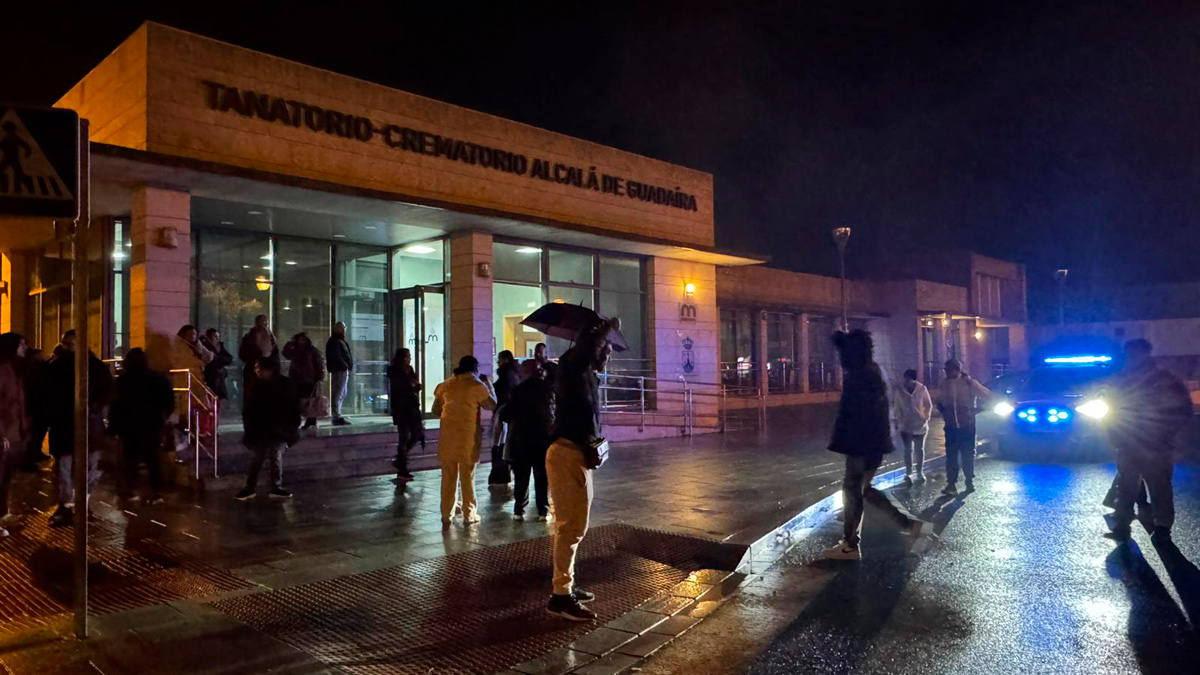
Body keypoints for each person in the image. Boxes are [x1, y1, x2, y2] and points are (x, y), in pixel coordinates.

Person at [824, 330, 930, 561]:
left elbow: (856, 414)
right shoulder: (872, 370)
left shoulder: (860, 375)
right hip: (874, 441)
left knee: (853, 491)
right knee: (864, 489)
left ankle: (850, 546)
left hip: (861, 442)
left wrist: (847, 441)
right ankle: (909, 524)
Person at [545, 318, 618, 622]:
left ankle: (567, 585)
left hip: (577, 455)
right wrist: (601, 331)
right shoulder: (572, 369)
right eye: (604, 352)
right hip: (566, 455)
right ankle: (561, 596)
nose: (606, 357)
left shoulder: (586, 374)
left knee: (573, 527)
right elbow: (582, 353)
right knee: (571, 528)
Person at [1107, 339, 1193, 544]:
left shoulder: (1163, 380)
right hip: (1129, 443)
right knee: (1127, 486)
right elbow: (1112, 411)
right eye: (1130, 354)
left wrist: (1165, 434)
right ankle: (1122, 524)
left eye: (1136, 353)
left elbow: (1183, 410)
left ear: (1146, 354)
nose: (1133, 358)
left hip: (1155, 444)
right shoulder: (1122, 380)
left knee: (1159, 487)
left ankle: (1162, 527)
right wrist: (1115, 436)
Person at [43, 330, 113, 527]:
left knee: (78, 470)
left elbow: (107, 394)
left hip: (80, 427)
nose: (69, 348)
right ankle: (70, 505)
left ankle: (74, 505)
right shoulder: (59, 367)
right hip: (75, 426)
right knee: (68, 470)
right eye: (67, 344)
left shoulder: (91, 367)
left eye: (71, 344)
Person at [432, 355, 497, 525]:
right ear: (475, 369)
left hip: (447, 438)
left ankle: (446, 513)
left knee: (448, 477)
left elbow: (436, 410)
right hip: (468, 438)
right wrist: (488, 384)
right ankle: (469, 513)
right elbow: (491, 405)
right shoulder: (477, 386)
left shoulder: (445, 385)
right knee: (468, 477)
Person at [109, 348, 174, 505]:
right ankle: (155, 492)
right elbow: (168, 401)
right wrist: (163, 417)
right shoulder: (158, 379)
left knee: (129, 459)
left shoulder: (122, 381)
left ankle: (129, 491)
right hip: (152, 424)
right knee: (153, 459)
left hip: (129, 425)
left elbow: (115, 405)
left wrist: (113, 426)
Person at [236, 357, 300, 501]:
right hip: (263, 429)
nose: (257, 371)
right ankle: (252, 487)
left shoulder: (283, 384)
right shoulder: (257, 386)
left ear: (269, 369)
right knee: (260, 456)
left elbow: (292, 406)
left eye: (260, 368)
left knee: (274, 453)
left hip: (279, 428)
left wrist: (290, 426)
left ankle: (275, 486)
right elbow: (250, 409)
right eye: (256, 369)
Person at [932, 359, 994, 495]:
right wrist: (942, 410)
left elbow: (988, 395)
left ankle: (969, 480)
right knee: (951, 455)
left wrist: (978, 409)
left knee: (967, 454)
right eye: (946, 370)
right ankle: (951, 484)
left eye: (949, 370)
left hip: (967, 425)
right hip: (951, 426)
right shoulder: (944, 384)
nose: (947, 372)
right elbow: (938, 398)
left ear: (957, 370)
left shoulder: (969, 383)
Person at [503, 360, 554, 521]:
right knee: (542, 476)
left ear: (526, 372)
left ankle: (519, 509)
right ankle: (543, 510)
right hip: (543, 439)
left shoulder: (518, 391)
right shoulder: (549, 389)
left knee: (521, 476)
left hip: (522, 439)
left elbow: (507, 415)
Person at [0, 333, 28, 536]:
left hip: (11, 434)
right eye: (21, 345)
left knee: (6, 478)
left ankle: (3, 513)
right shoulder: (3, 370)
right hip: (4, 436)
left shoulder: (12, 369)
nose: (24, 349)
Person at [387, 348, 423, 482]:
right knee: (404, 436)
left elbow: (414, 384)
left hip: (412, 407)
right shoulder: (394, 370)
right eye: (407, 356)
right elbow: (400, 387)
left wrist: (416, 385)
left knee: (416, 435)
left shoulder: (410, 369)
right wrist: (411, 384)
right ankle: (402, 467)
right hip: (401, 408)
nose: (409, 359)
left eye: (410, 356)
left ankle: (400, 459)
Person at [893, 369, 933, 486]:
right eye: (904, 379)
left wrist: (926, 417)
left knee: (919, 449)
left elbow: (928, 404)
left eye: (908, 379)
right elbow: (897, 407)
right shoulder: (899, 390)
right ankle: (909, 473)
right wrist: (899, 421)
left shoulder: (922, 389)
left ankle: (920, 472)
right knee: (907, 450)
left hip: (920, 424)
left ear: (913, 380)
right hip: (905, 425)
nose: (906, 381)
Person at [488, 350, 520, 485]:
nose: (498, 363)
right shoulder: (514, 374)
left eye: (500, 360)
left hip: (504, 414)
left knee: (500, 443)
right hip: (507, 414)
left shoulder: (507, 375)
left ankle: (500, 473)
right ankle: (502, 472)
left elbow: (501, 393)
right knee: (503, 443)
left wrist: (489, 386)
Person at [282, 332, 326, 430]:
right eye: (299, 340)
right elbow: (285, 353)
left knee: (310, 401)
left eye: (303, 340)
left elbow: (319, 364)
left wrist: (320, 378)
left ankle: (310, 421)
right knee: (296, 401)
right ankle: (296, 421)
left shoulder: (312, 351)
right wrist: (290, 343)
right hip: (296, 379)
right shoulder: (295, 350)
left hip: (309, 380)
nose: (301, 342)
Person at [239, 314, 278, 391]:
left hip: (266, 371)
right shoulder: (249, 337)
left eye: (266, 321)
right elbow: (243, 354)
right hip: (254, 371)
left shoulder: (270, 337)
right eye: (263, 321)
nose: (266, 323)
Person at [326, 321, 354, 426]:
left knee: (342, 392)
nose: (344, 329)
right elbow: (337, 356)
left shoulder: (338, 340)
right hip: (340, 370)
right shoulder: (335, 341)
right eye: (342, 327)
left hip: (341, 369)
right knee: (339, 392)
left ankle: (338, 414)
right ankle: (336, 415)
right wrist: (344, 366)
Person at [200, 328, 234, 407]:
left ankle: (216, 416)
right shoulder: (205, 346)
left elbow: (229, 358)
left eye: (217, 336)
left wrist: (219, 359)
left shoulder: (220, 346)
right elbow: (210, 360)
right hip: (210, 376)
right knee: (210, 398)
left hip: (219, 377)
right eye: (214, 336)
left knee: (218, 399)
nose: (216, 339)